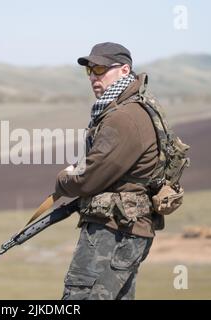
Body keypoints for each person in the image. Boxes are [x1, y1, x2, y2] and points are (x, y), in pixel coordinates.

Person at [55, 42, 159, 300]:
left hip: (112, 231)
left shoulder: (124, 117)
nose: (93, 77)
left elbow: (89, 179)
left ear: (125, 70)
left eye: (100, 68)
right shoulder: (130, 108)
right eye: (89, 70)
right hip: (125, 230)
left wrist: (63, 180)